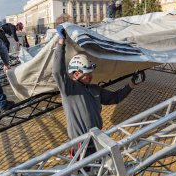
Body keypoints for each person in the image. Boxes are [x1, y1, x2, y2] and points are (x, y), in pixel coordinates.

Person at [52, 25, 145, 157]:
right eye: (86, 73)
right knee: (84, 175)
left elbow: (116, 97)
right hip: (80, 145)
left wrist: (132, 84)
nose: (90, 76)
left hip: (97, 140)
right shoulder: (70, 90)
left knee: (102, 172)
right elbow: (57, 72)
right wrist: (61, 42)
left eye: (90, 72)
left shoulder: (95, 89)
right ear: (76, 73)